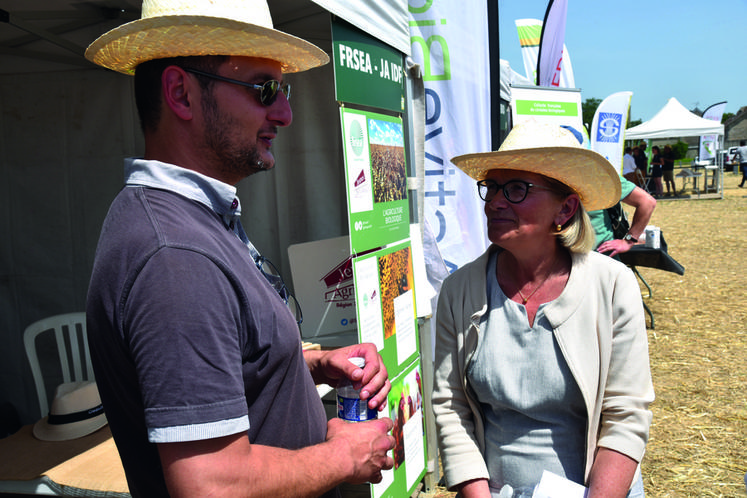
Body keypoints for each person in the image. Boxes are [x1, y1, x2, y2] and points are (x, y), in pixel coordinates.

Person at [84, 1, 394, 497]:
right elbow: (210, 483)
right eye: (264, 89)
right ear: (181, 93)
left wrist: (310, 363)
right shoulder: (175, 257)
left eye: (283, 90)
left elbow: (227, 356)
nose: (285, 113)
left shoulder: (190, 222)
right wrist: (341, 456)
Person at [432, 121, 654, 498]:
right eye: (493, 187)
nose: (495, 201)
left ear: (565, 208)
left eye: (517, 188)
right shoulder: (460, 290)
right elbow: (450, 407)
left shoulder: (612, 285)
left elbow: (625, 417)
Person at [591, 175, 657, 258]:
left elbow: (647, 202)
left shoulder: (601, 175)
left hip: (600, 258)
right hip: (573, 259)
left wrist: (629, 241)